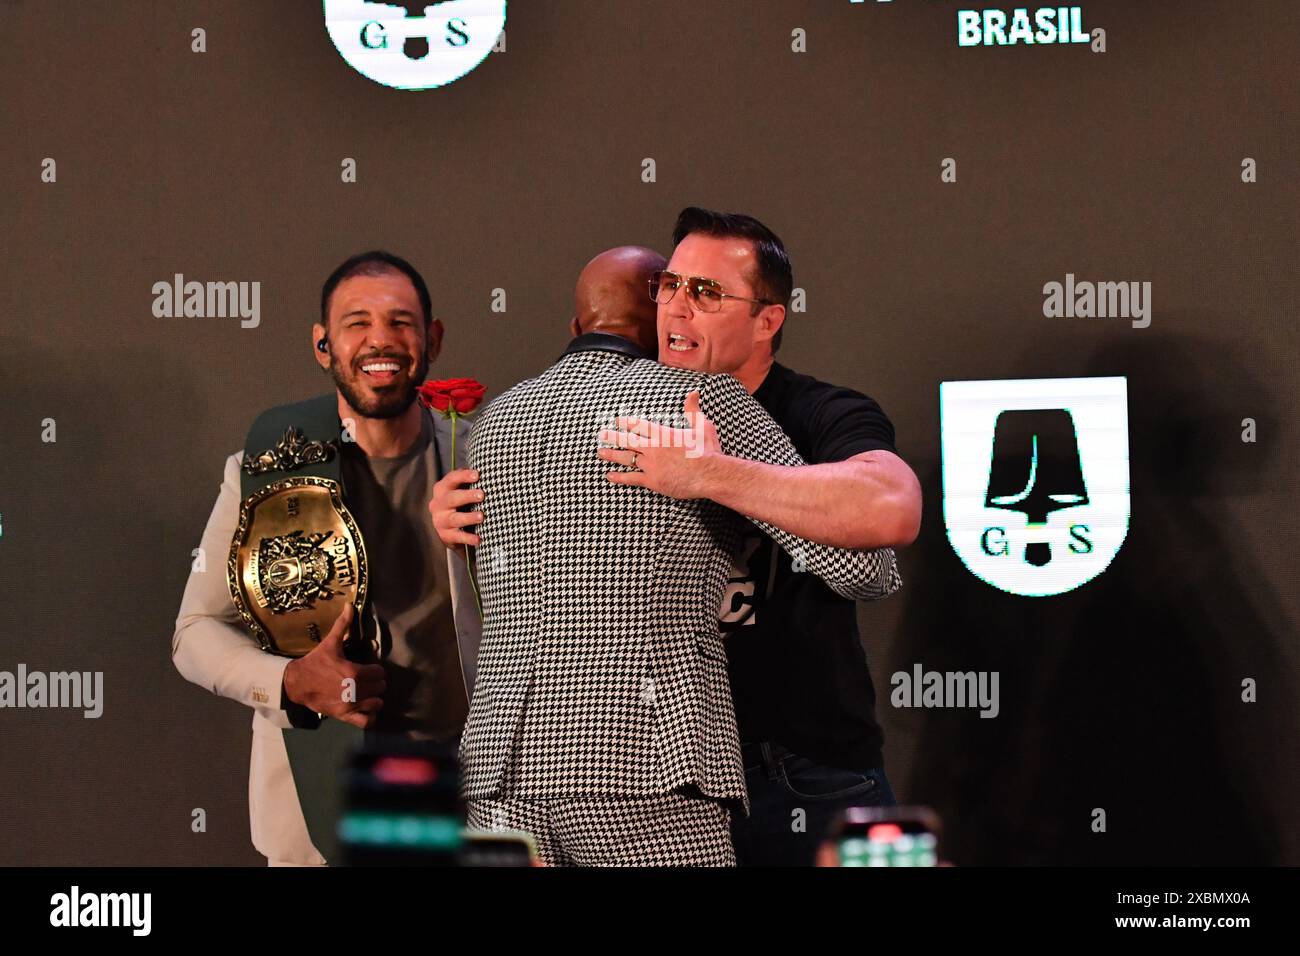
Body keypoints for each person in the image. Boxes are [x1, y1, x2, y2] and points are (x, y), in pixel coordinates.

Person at [431, 245, 900, 865]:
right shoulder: (702, 400)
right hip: (647, 769)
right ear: (656, 319)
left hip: (501, 774)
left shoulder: (492, 424)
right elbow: (865, 567)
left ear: (577, 328)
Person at [630, 207, 923, 865]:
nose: (677, 308)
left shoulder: (823, 413)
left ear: (768, 320)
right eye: (669, 285)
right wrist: (463, 514)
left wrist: (713, 475)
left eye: (706, 293)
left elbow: (891, 506)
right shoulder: (620, 409)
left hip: (811, 770)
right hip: (667, 779)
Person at [172, 250, 482, 865]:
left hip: (468, 797)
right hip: (321, 807)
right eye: (356, 323)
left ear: (434, 340)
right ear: (323, 345)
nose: (380, 341)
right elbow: (194, 632)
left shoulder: (489, 456)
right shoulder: (262, 471)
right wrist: (288, 682)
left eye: (401, 322)